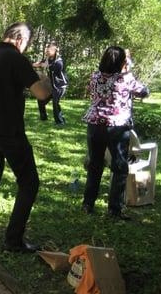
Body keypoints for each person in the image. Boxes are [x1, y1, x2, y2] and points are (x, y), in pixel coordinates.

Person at [0, 22, 51, 253]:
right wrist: (46, 77)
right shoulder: (16, 58)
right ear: (19, 39)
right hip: (8, 130)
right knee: (29, 182)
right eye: (26, 43)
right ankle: (13, 239)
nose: (25, 48)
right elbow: (42, 93)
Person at [82, 46, 149, 220]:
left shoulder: (95, 76)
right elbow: (144, 91)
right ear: (122, 62)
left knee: (95, 165)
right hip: (117, 127)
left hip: (95, 124)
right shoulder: (126, 79)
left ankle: (88, 204)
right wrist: (126, 71)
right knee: (119, 167)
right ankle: (114, 210)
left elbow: (91, 89)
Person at [33, 41, 68, 125]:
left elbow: (56, 68)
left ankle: (60, 122)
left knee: (55, 103)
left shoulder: (59, 61)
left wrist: (46, 65)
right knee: (41, 99)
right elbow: (39, 64)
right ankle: (43, 118)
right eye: (46, 51)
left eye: (48, 51)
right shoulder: (48, 59)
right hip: (51, 86)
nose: (47, 52)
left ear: (54, 51)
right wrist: (34, 65)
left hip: (59, 86)